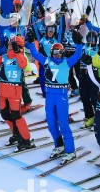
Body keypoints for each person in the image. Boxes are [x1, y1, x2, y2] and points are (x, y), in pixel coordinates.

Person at [27, 29, 84, 161]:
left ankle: (70, 150)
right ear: (51, 53)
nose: (57, 55)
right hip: (50, 96)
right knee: (51, 123)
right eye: (55, 53)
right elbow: (35, 53)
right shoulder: (46, 61)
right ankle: (59, 145)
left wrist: (79, 43)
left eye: (59, 53)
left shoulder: (67, 62)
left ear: (63, 53)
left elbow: (78, 54)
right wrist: (31, 42)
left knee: (63, 124)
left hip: (61, 96)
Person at [0, 35, 35, 151]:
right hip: (3, 91)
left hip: (14, 92)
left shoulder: (20, 57)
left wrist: (18, 51)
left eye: (11, 44)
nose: (8, 45)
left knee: (17, 116)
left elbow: (23, 64)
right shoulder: (5, 57)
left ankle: (26, 139)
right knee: (5, 115)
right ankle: (16, 134)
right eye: (9, 44)